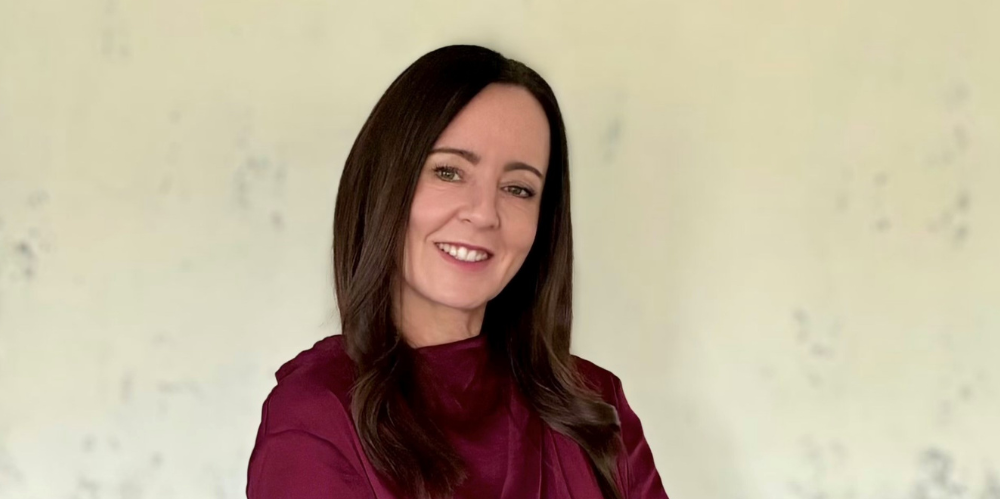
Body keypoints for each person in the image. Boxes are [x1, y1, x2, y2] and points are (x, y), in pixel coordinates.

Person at [246, 44, 669, 499]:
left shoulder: (594, 405)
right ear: (386, 184)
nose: (484, 213)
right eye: (449, 172)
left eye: (518, 188)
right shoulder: (317, 418)